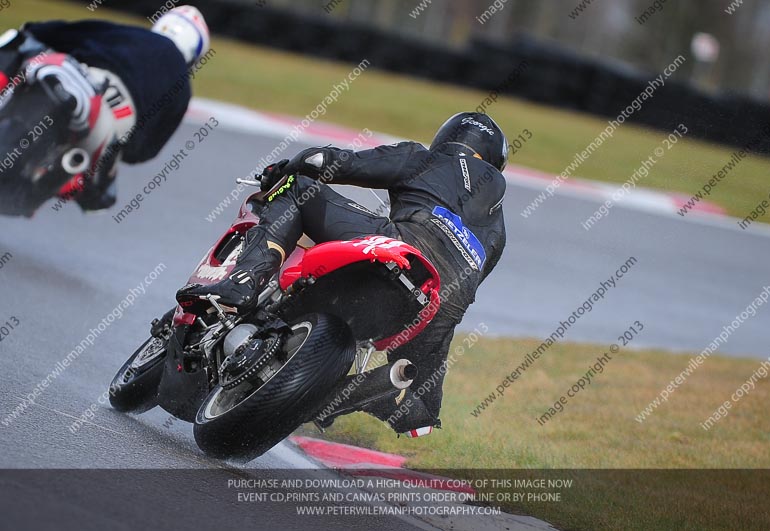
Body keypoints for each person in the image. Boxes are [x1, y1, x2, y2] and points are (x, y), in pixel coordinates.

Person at [177, 112, 508, 438]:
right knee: (418, 408)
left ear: (446, 138)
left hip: (401, 249)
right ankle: (356, 395)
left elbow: (327, 162)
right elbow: (465, 287)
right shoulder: (498, 229)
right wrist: (426, 391)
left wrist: (285, 168)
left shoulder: (422, 158)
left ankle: (243, 283)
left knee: (296, 188)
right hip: (435, 308)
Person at [0, 6, 209, 211]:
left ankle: (63, 172)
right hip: (112, 132)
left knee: (21, 46)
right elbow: (144, 152)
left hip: (86, 84)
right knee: (101, 193)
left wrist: (34, 29)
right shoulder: (183, 90)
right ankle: (54, 183)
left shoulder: (135, 35)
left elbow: (69, 32)